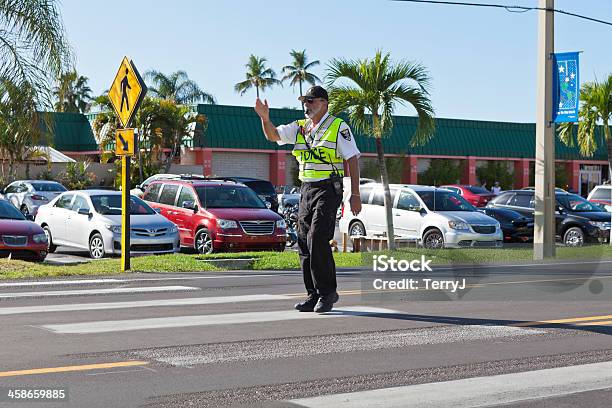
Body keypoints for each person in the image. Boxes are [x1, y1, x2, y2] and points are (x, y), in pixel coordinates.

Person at [254, 86, 362, 313]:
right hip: (306, 189)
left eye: (311, 101)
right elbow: (273, 135)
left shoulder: (337, 126)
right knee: (303, 241)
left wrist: (355, 194)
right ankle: (312, 294)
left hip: (328, 189)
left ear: (324, 103)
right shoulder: (300, 127)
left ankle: (327, 293)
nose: (307, 104)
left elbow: (352, 158)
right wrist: (265, 118)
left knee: (317, 238)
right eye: (305, 100)